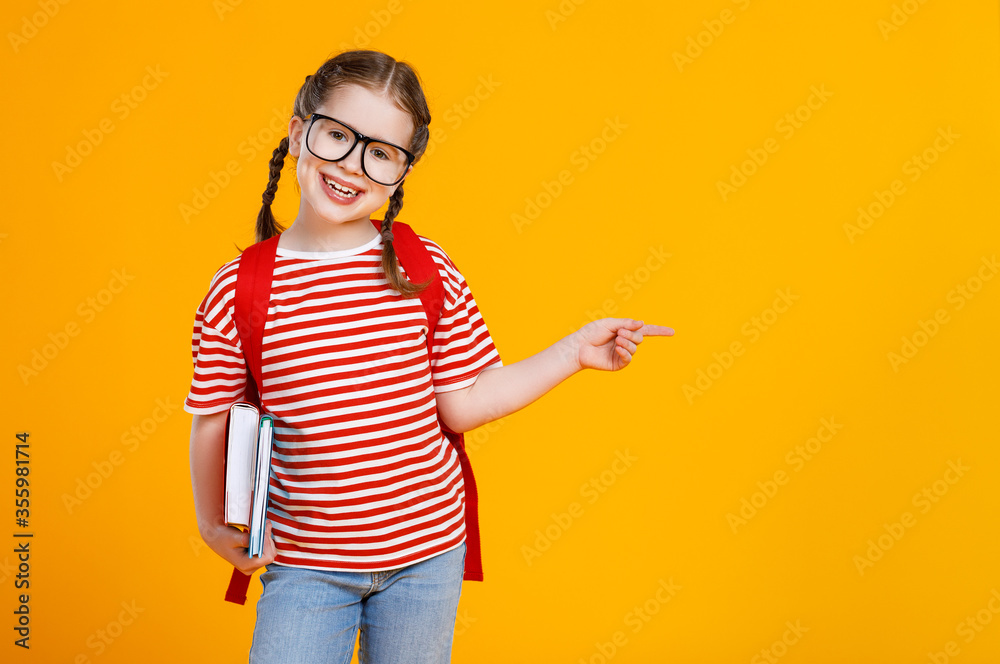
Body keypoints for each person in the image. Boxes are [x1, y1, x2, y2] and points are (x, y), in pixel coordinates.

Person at [185, 49, 674, 664]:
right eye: (337, 135)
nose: (351, 166)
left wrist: (574, 351)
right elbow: (214, 418)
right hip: (305, 561)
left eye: (382, 153)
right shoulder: (241, 287)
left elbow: (464, 403)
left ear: (402, 170)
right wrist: (212, 526)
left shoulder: (423, 269)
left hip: (427, 554)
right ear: (298, 130)